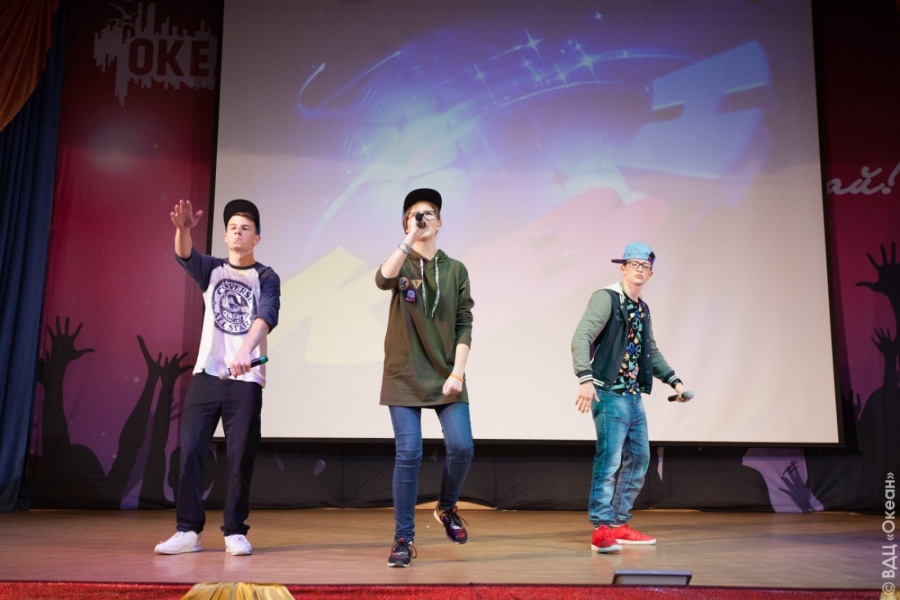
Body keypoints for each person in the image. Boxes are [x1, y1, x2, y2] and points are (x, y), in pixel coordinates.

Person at [154, 198, 281, 556]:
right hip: (207, 375)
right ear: (225, 236)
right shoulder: (212, 269)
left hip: (246, 380)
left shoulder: (266, 276)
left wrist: (245, 352)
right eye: (233, 228)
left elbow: (267, 315)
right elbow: (184, 254)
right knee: (191, 450)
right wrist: (183, 230)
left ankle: (234, 531)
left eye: (246, 228)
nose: (238, 233)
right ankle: (188, 530)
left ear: (257, 238)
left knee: (240, 455)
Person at [375, 188, 475, 568]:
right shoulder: (401, 262)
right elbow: (382, 280)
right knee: (409, 453)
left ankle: (447, 507)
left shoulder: (455, 269)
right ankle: (403, 538)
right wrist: (409, 240)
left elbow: (464, 322)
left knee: (462, 447)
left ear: (441, 221)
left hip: (447, 372)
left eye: (429, 213)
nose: (422, 219)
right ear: (405, 223)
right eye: (414, 215)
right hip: (404, 374)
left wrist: (458, 372)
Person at [571, 241, 690, 554]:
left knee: (639, 458)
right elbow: (582, 336)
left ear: (651, 274)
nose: (639, 269)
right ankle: (601, 529)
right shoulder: (607, 298)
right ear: (623, 268)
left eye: (645, 266)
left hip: (633, 396)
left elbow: (650, 350)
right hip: (609, 393)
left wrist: (675, 382)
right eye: (634, 264)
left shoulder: (642, 308)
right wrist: (585, 378)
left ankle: (619, 524)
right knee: (609, 459)